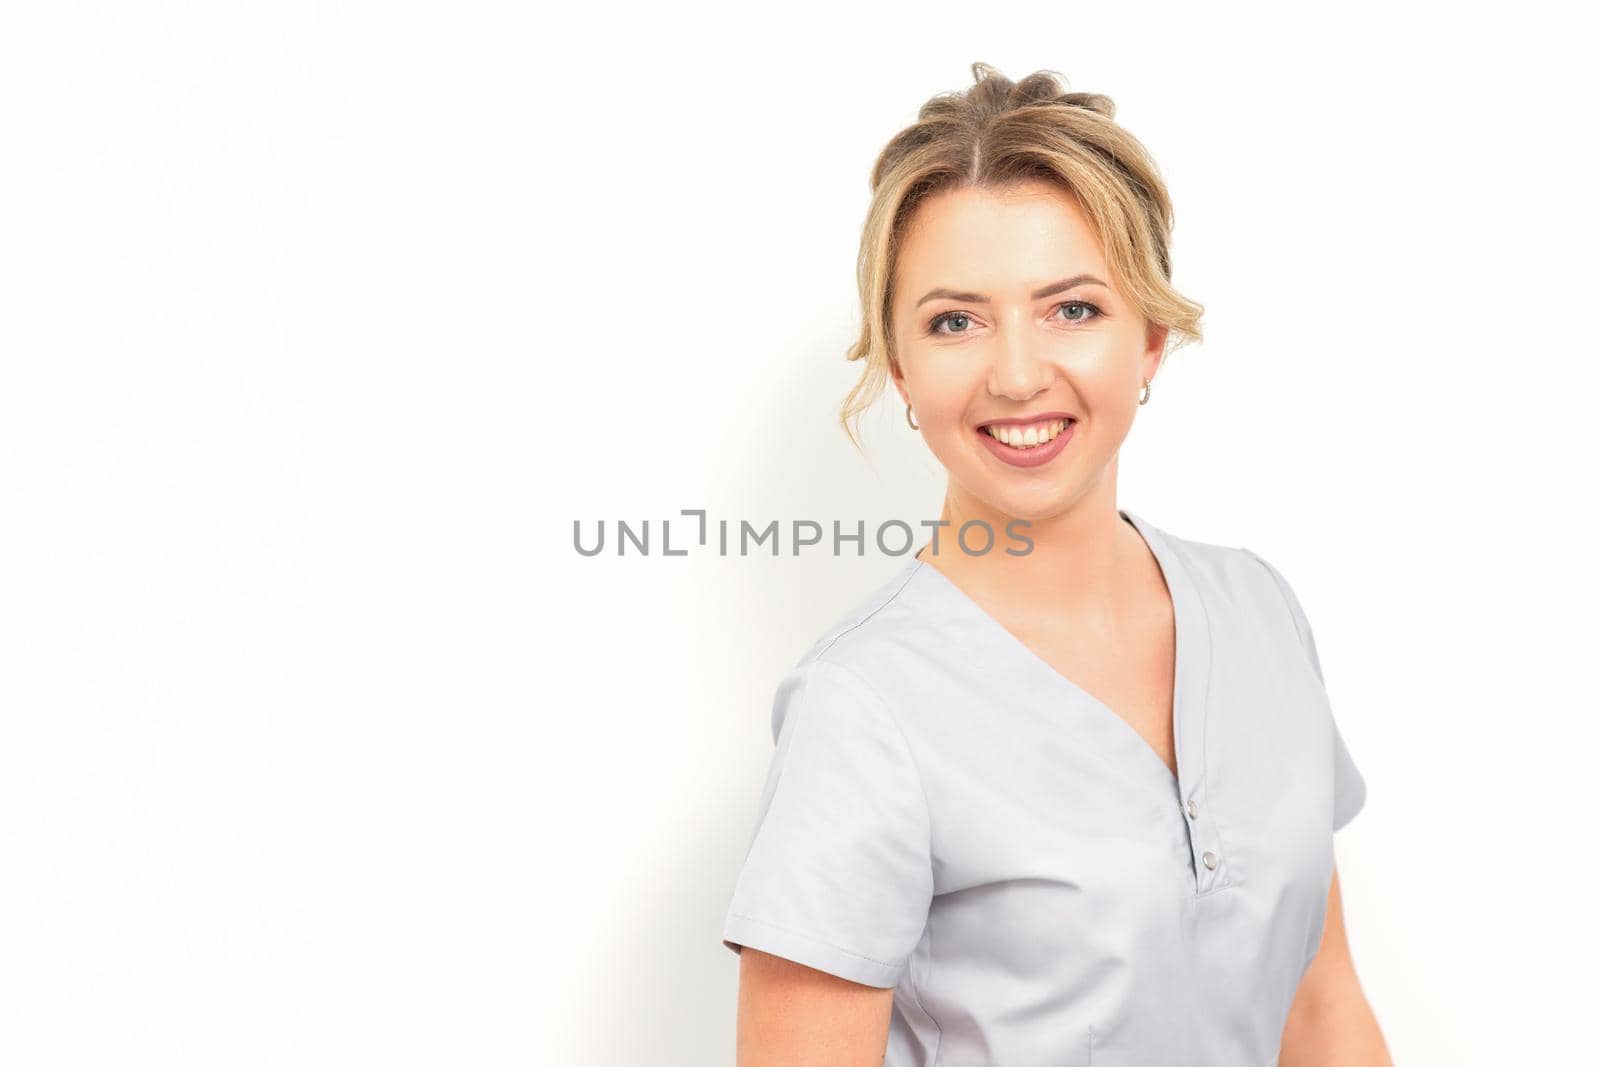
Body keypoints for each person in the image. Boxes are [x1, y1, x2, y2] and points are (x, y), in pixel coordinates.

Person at [719, 62, 1392, 1066]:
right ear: (899, 364)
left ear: (1151, 336)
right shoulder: (861, 706)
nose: (1018, 373)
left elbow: (1319, 1006)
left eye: (1072, 308)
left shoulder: (1255, 609)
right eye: (956, 320)